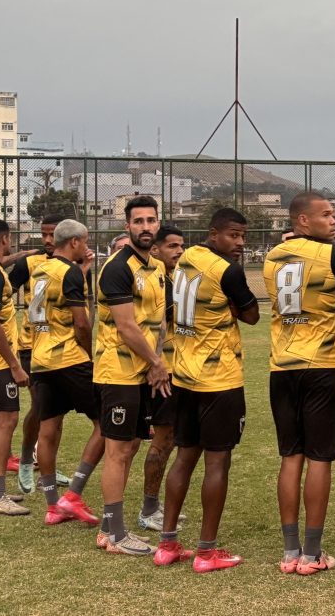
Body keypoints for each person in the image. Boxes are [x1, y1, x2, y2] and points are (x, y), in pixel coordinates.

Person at [155, 208, 259, 572]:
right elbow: (251, 315)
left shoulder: (186, 259)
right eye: (233, 235)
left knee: (184, 456)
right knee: (217, 461)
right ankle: (206, 551)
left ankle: (167, 544)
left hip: (184, 375)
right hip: (219, 380)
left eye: (243, 236)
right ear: (213, 233)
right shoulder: (226, 270)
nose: (240, 243)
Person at [264, 192, 335, 575]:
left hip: (281, 367)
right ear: (303, 221)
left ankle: (290, 551)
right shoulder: (330, 254)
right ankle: (311, 553)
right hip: (321, 365)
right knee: (320, 457)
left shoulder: (271, 256)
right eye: (326, 214)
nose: (334, 221)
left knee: (291, 456)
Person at [94, 195, 172, 555]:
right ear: (127, 226)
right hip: (117, 372)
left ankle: (112, 527)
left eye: (150, 220)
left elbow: (157, 324)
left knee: (131, 446)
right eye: (138, 221)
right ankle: (113, 534)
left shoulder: (156, 267)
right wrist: (156, 364)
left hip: (142, 373)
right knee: (118, 452)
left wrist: (155, 363)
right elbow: (126, 326)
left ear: (157, 224)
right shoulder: (117, 267)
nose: (145, 227)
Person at [32, 219, 104, 528]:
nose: (87, 247)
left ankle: (52, 506)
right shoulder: (70, 271)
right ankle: (73, 494)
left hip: (40, 359)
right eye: (85, 242)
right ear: (74, 242)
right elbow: (82, 323)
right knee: (106, 424)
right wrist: (91, 355)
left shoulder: (41, 269)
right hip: (70, 359)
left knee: (48, 429)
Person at [8, 212, 63, 494]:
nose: (47, 240)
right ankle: (28, 461)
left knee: (58, 411)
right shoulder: (29, 263)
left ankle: (49, 466)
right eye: (43, 234)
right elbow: (4, 293)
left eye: (52, 234)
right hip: (33, 346)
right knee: (41, 407)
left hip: (64, 348)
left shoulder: (74, 262)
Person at [139, 224, 186, 533]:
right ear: (155, 250)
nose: (179, 251)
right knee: (160, 438)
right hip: (158, 371)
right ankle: (148, 509)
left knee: (166, 439)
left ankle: (152, 507)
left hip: (172, 368)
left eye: (181, 245)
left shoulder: (173, 279)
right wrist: (156, 365)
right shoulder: (157, 280)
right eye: (172, 246)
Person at [0, 219, 30, 516]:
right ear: (4, 238)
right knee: (7, 421)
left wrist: (24, 255)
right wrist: (14, 365)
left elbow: (4, 260)